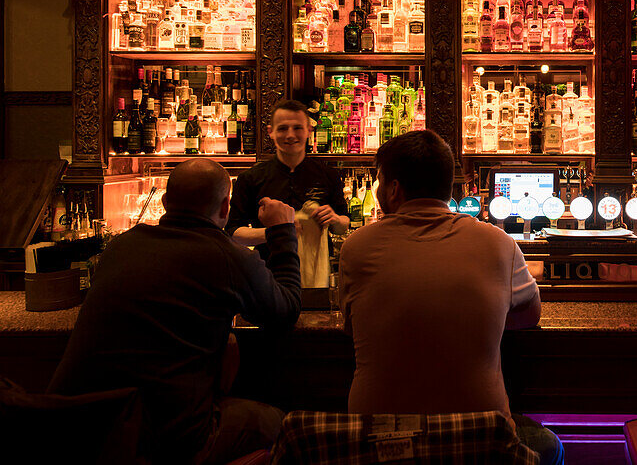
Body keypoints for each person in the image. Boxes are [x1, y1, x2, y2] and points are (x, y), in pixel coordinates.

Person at [49, 158, 301, 465]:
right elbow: (285, 311)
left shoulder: (121, 247)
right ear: (225, 209)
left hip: (73, 429)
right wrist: (283, 230)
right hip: (163, 441)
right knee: (281, 425)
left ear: (166, 202)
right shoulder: (227, 256)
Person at [339, 130, 563, 464]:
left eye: (379, 181)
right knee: (551, 446)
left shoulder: (356, 247)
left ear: (394, 189)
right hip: (479, 442)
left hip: (380, 445)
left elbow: (353, 325)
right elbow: (530, 316)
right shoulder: (497, 243)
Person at [228, 99, 349, 284]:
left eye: (298, 128)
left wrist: (334, 218)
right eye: (283, 128)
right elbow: (233, 233)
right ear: (271, 132)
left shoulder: (328, 175)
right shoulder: (250, 178)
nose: (290, 135)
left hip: (318, 279)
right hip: (267, 278)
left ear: (309, 130)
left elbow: (344, 224)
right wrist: (275, 232)